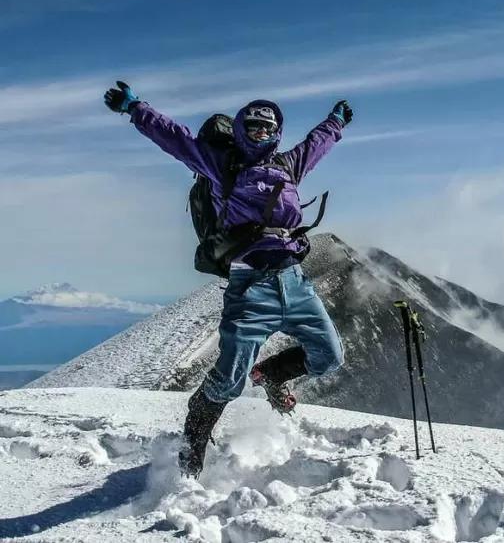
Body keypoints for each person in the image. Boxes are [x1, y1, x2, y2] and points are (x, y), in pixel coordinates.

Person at [103, 82, 351, 477]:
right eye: (253, 128)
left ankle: (271, 374)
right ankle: (192, 452)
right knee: (229, 381)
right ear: (239, 130)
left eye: (268, 130)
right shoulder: (222, 166)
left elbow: (316, 143)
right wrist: (135, 107)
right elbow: (175, 138)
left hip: (295, 281)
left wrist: (336, 121)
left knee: (329, 356)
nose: (261, 135)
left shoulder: (288, 166)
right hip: (250, 288)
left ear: (277, 134)